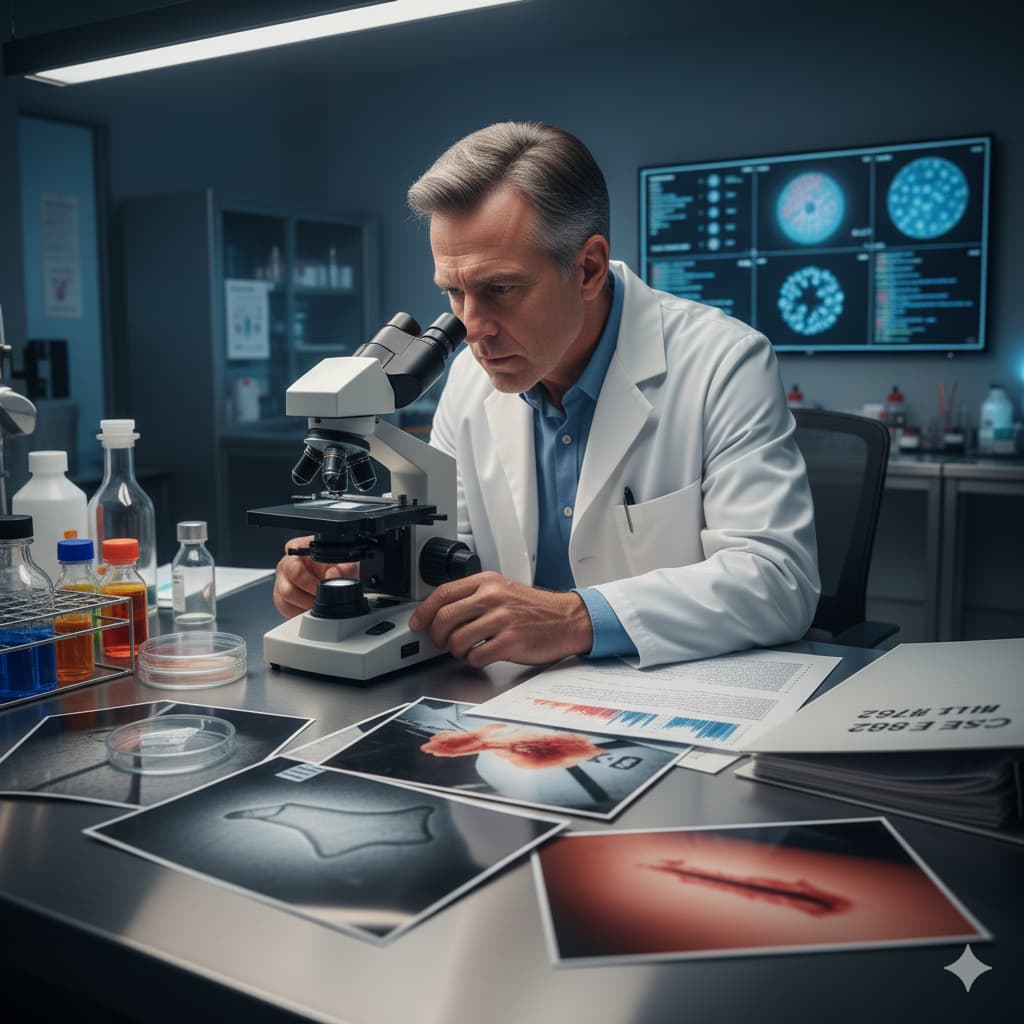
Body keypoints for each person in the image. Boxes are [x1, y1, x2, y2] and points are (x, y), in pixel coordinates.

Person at [273, 121, 819, 670]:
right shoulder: (469, 380)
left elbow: (777, 579)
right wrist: (355, 575)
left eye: (500, 289)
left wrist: (575, 618)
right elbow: (451, 552)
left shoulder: (724, 362)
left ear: (588, 268)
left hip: (673, 695)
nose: (474, 328)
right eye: (454, 293)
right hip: (512, 697)